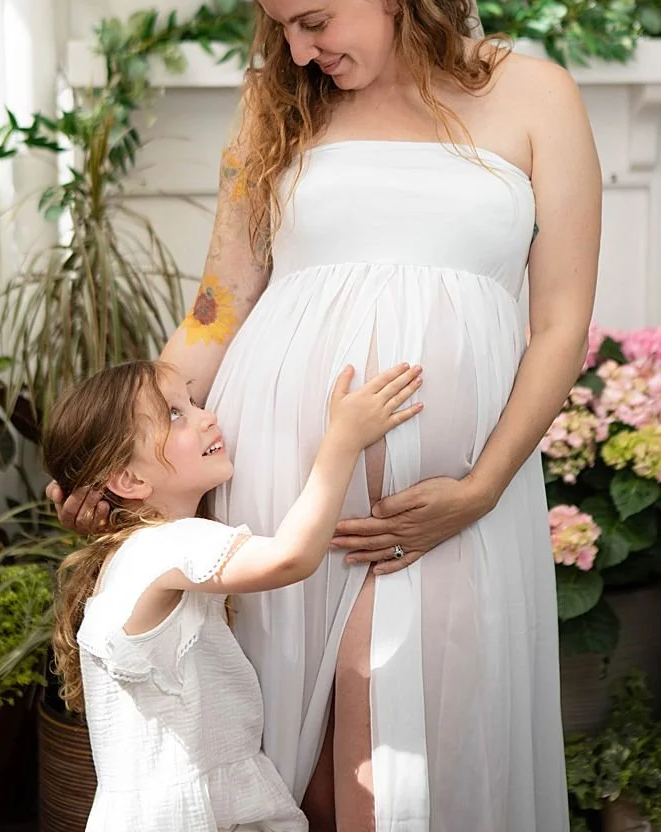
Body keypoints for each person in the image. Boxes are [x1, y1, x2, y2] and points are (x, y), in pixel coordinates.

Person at [49, 0, 601, 832]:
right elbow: (221, 303)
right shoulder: (280, 106)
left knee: (411, 753)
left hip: (459, 495)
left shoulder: (531, 94)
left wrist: (478, 487)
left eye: (313, 23)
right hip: (283, 475)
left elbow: (559, 321)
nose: (297, 53)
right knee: (294, 755)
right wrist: (116, 443)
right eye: (279, 29)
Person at [43, 356, 423, 832]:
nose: (207, 416)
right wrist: (343, 441)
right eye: (175, 414)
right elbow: (290, 558)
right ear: (131, 481)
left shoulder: (134, 555)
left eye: (194, 400)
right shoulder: (165, 545)